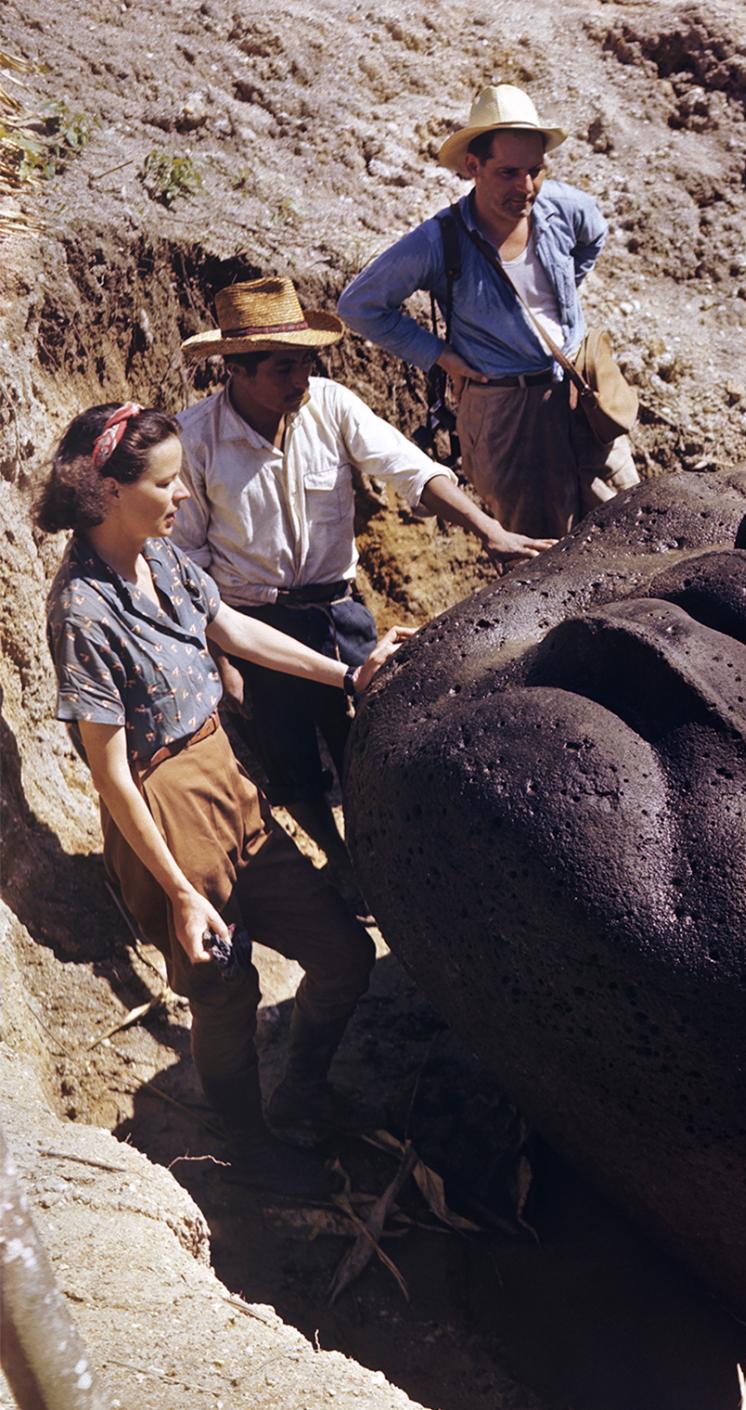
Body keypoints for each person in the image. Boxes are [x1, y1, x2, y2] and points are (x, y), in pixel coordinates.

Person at [40, 402, 413, 1175]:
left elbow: (233, 631)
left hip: (228, 780)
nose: (183, 496)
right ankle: (246, 1144)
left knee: (344, 952)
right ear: (109, 490)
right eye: (168, 482)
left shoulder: (161, 556)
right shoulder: (82, 609)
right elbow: (111, 775)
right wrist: (178, 892)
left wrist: (349, 673)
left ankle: (299, 1094)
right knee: (224, 992)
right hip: (166, 811)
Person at [175, 275, 551, 867]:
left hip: (338, 612)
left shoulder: (330, 404)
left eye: (307, 363)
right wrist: (221, 658)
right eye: (283, 368)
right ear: (236, 369)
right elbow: (188, 560)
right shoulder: (193, 440)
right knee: (290, 759)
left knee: (370, 740)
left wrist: (491, 532)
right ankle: (336, 860)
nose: (301, 379)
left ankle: (383, 858)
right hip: (254, 623)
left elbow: (410, 469)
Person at [337, 83, 637, 540]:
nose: (526, 187)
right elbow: (360, 306)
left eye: (535, 171)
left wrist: (564, 309)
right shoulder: (440, 240)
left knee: (628, 523)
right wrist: (439, 354)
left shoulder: (561, 205)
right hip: (506, 412)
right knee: (540, 551)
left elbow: (593, 232)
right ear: (473, 167)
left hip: (581, 392)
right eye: (509, 172)